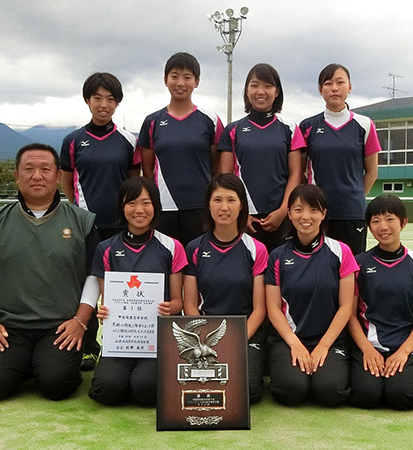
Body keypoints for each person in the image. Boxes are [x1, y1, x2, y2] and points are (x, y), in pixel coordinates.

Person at [0, 143, 101, 401]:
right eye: (29, 169)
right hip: (10, 327)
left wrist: (80, 322)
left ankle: (42, 362)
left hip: (61, 326)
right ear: (17, 175)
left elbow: (95, 275)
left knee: (56, 385)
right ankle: (27, 362)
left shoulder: (82, 221)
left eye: (45, 169)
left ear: (58, 176)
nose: (37, 176)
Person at [60, 72, 141, 371]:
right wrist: (81, 213)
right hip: (87, 227)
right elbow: (68, 184)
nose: (103, 104)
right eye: (97, 98)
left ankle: (125, 344)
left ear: (117, 103)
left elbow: (134, 185)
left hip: (122, 227)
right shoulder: (73, 141)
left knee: (122, 290)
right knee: (87, 287)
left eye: (110, 99)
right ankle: (88, 347)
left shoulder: (128, 141)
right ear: (87, 100)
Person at [88, 177, 187, 406]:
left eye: (146, 203)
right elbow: (107, 302)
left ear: (155, 206)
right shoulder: (107, 249)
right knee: (106, 390)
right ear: (122, 207)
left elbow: (177, 303)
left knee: (146, 390)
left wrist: (171, 307)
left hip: (158, 338)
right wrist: (103, 312)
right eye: (131, 203)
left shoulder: (172, 247)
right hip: (121, 338)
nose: (139, 210)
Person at [265, 184, 358, 406]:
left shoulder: (341, 252)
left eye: (313, 210)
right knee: (291, 391)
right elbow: (272, 308)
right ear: (289, 213)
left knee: (330, 392)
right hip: (290, 340)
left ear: (323, 214)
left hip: (330, 340)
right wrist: (294, 344)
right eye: (298, 209)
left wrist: (325, 345)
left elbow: (346, 306)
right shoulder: (277, 256)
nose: (305, 216)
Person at [348, 194, 413, 410]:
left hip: (407, 346)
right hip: (370, 346)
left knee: (402, 397)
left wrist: (403, 352)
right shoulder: (358, 265)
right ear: (369, 227)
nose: (383, 226)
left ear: (403, 222)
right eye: (376, 221)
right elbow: (350, 315)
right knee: (366, 397)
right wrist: (367, 349)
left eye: (390, 219)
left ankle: (410, 375)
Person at [183, 173, 268, 403]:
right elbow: (190, 304)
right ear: (208, 206)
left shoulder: (257, 249)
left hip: (246, 333)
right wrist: (203, 342)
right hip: (205, 337)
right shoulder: (194, 248)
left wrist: (236, 341)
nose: (224, 207)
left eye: (231, 200)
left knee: (247, 390)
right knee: (195, 386)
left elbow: (260, 309)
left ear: (241, 206)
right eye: (217, 200)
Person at [139, 52, 224, 246]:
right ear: (165, 80)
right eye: (174, 76)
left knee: (198, 265)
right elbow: (148, 170)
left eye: (187, 77)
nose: (180, 83)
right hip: (164, 208)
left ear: (197, 82)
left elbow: (216, 166)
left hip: (201, 207)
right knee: (168, 265)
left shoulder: (210, 120)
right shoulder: (152, 122)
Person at [219, 63, 304, 252]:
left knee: (279, 276)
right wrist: (241, 214)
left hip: (281, 217)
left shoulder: (289, 128)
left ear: (277, 92)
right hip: (243, 218)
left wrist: (283, 211)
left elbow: (296, 174)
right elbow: (225, 179)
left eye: (268, 86)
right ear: (247, 90)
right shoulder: (233, 130)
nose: (261, 91)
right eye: (255, 85)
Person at [299, 63, 381, 256]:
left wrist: (354, 195)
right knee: (318, 267)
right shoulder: (308, 126)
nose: (334, 88)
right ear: (320, 90)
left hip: (352, 212)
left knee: (351, 267)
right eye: (328, 83)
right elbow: (300, 171)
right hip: (316, 212)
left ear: (349, 87)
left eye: (340, 82)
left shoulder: (364, 124)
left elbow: (372, 172)